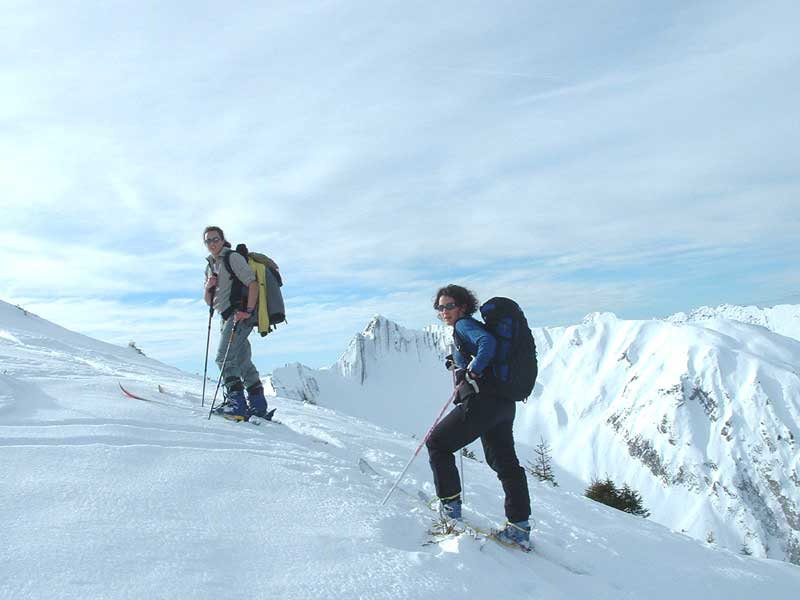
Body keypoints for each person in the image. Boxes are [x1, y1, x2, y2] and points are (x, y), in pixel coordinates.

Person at [426, 284, 532, 549]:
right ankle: (519, 526)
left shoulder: (464, 326)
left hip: (483, 403)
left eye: (449, 306)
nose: (444, 311)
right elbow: (483, 344)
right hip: (504, 403)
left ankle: (450, 510)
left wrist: (473, 369)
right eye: (440, 308)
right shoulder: (470, 328)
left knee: (437, 444)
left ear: (463, 306)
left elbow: (488, 344)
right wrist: (459, 360)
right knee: (505, 462)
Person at [203, 226, 270, 420]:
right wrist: (209, 287)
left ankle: (237, 405)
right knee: (242, 361)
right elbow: (209, 301)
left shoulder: (232, 258)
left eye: (215, 239)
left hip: (238, 316)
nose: (212, 244)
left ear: (223, 240)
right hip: (225, 317)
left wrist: (247, 311)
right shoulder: (209, 266)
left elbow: (253, 284)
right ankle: (258, 406)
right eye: (208, 241)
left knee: (223, 359)